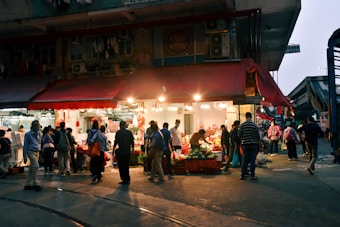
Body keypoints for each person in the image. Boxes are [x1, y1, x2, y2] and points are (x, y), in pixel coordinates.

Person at [238, 112, 260, 180]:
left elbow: (239, 135)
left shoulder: (242, 125)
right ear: (251, 117)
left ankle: (242, 175)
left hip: (245, 145)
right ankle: (252, 175)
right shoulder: (255, 125)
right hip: (253, 145)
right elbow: (258, 136)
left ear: (246, 117)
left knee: (244, 160)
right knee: (252, 160)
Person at [113, 120, 134, 185]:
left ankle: (124, 179)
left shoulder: (118, 133)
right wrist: (132, 150)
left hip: (121, 151)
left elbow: (116, 142)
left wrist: (113, 149)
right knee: (126, 165)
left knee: (121, 166)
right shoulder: (129, 132)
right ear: (125, 125)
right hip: (127, 151)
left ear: (120, 125)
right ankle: (127, 178)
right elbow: (132, 142)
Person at [23, 120, 42, 191]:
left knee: (32, 168)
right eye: (37, 126)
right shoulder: (28, 134)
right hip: (30, 151)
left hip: (37, 152)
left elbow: (39, 143)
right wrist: (24, 156)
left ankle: (28, 184)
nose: (38, 127)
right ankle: (35, 183)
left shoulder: (38, 134)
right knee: (36, 166)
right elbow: (25, 145)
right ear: (33, 126)